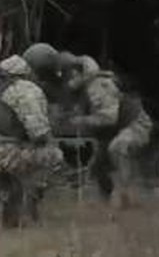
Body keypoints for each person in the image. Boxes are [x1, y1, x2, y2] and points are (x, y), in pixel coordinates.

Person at [0, 45, 64, 225]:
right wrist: (55, 140)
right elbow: (39, 134)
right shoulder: (27, 90)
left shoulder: (4, 80)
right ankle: (28, 209)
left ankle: (3, 203)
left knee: (22, 166)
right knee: (53, 155)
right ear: (43, 72)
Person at [57, 54, 151, 207]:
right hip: (114, 131)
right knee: (99, 166)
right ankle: (106, 203)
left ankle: (126, 195)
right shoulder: (81, 90)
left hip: (134, 125)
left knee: (118, 148)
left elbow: (108, 118)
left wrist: (80, 121)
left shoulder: (97, 85)